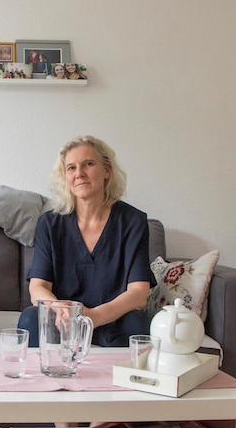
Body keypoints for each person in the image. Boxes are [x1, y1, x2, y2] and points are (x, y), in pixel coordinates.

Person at [18, 136, 153, 349]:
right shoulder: (49, 224)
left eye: (88, 164)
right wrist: (59, 309)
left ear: (106, 170)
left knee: (138, 322)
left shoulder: (133, 222)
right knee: (30, 319)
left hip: (111, 319)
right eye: (71, 168)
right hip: (62, 321)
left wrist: (93, 317)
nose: (79, 173)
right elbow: (38, 287)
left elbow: (138, 293)